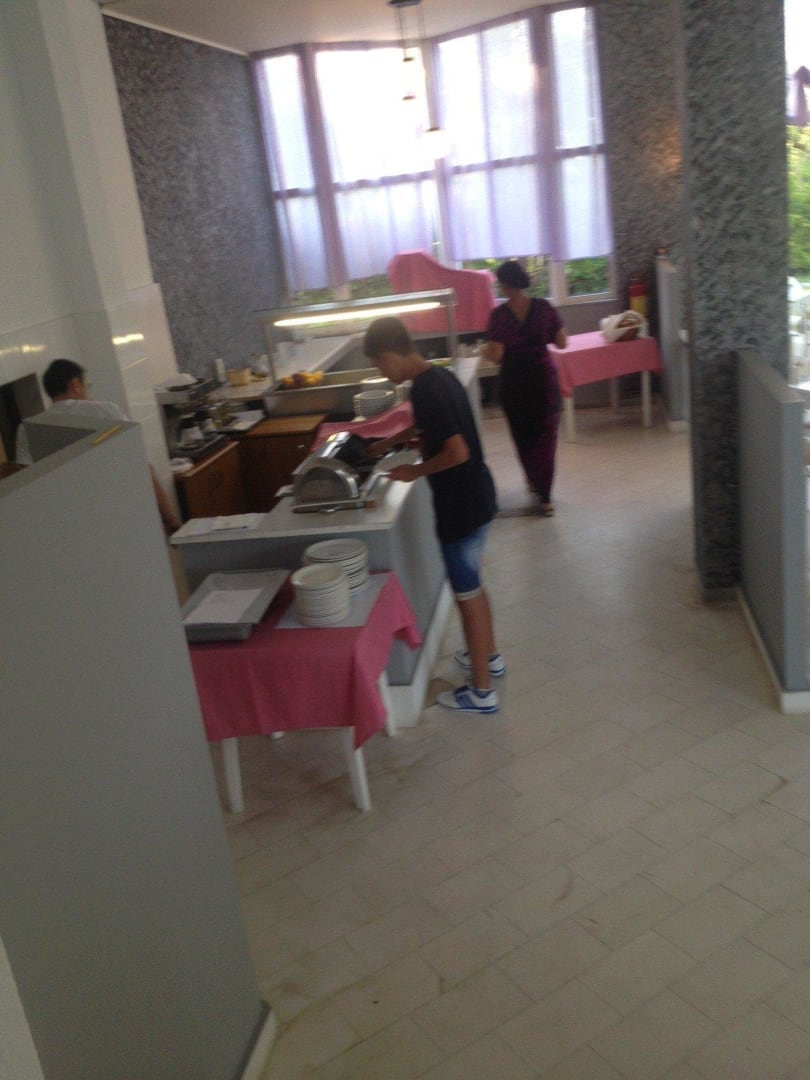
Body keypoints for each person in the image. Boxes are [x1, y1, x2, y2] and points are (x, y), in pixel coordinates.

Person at [363, 316, 504, 715]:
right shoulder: (437, 377)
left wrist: (415, 471)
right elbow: (430, 426)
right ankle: (489, 658)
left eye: (378, 365)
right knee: (474, 587)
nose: (382, 373)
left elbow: (456, 451)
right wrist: (389, 442)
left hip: (460, 505)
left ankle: (481, 693)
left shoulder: (424, 389)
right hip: (478, 496)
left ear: (388, 355)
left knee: (467, 596)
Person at [15, 358, 181, 534]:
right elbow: (140, 464)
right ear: (75, 384)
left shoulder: (26, 429)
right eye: (87, 385)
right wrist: (169, 517)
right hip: (119, 511)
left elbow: (26, 483)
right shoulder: (105, 411)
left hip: (68, 522)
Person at [480, 259, 568, 516]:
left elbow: (497, 355)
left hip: (514, 383)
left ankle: (533, 479)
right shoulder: (543, 307)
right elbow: (562, 343)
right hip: (543, 380)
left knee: (523, 436)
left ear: (505, 285)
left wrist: (485, 350)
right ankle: (545, 496)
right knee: (546, 437)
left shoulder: (499, 316)